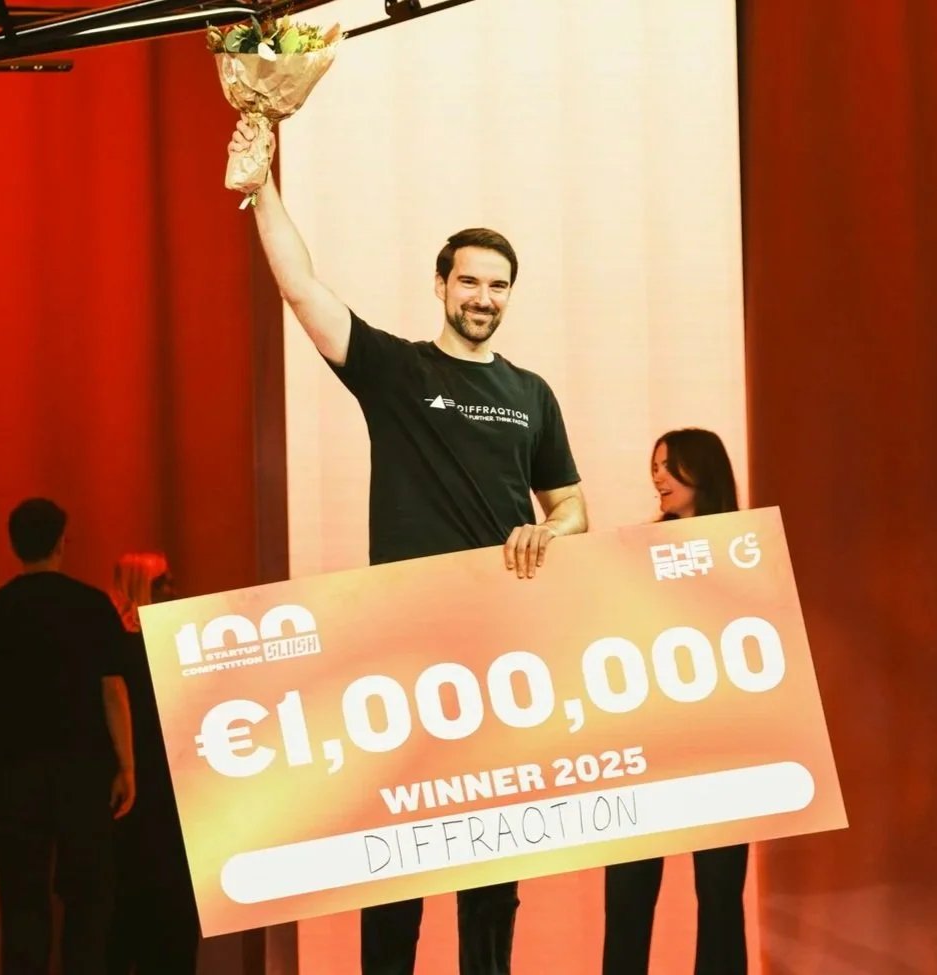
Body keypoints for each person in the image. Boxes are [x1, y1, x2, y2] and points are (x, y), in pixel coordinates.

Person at [230, 119, 587, 975]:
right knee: (398, 848)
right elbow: (303, 291)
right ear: (440, 284)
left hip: (499, 647)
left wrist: (551, 529)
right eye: (469, 280)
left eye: (499, 285)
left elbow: (571, 507)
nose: (484, 297)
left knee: (493, 855)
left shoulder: (530, 393)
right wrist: (260, 189)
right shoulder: (396, 371)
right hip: (399, 645)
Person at [0, 499, 135, 975]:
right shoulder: (93, 606)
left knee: (22, 905)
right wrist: (127, 765)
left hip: (15, 777)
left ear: (15, 544)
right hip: (85, 775)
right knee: (89, 902)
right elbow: (113, 691)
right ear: (60, 541)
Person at [602, 428, 747, 975]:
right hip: (647, 749)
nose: (656, 477)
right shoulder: (635, 550)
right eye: (654, 465)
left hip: (724, 753)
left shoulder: (744, 550)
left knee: (720, 900)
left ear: (702, 470)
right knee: (629, 900)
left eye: (668, 465)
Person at [106, 551, 198, 975]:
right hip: (144, 791)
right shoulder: (119, 652)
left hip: (166, 790)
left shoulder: (180, 646)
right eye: (163, 583)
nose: (174, 591)